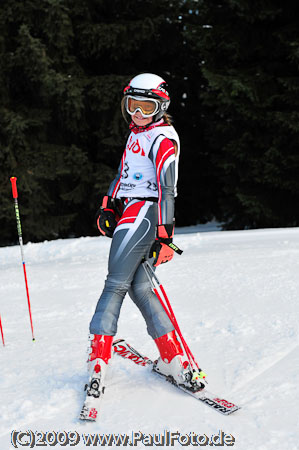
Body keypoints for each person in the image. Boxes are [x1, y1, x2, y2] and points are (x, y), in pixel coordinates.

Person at [87, 73, 204, 392]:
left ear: (161, 106)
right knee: (141, 288)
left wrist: (166, 236)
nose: (138, 112)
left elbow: (167, 189)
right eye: (132, 105)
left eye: (146, 106)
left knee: (114, 284)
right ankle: (172, 358)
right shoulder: (138, 133)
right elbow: (124, 172)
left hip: (144, 214)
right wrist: (108, 205)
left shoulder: (163, 137)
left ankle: (97, 359)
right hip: (131, 211)